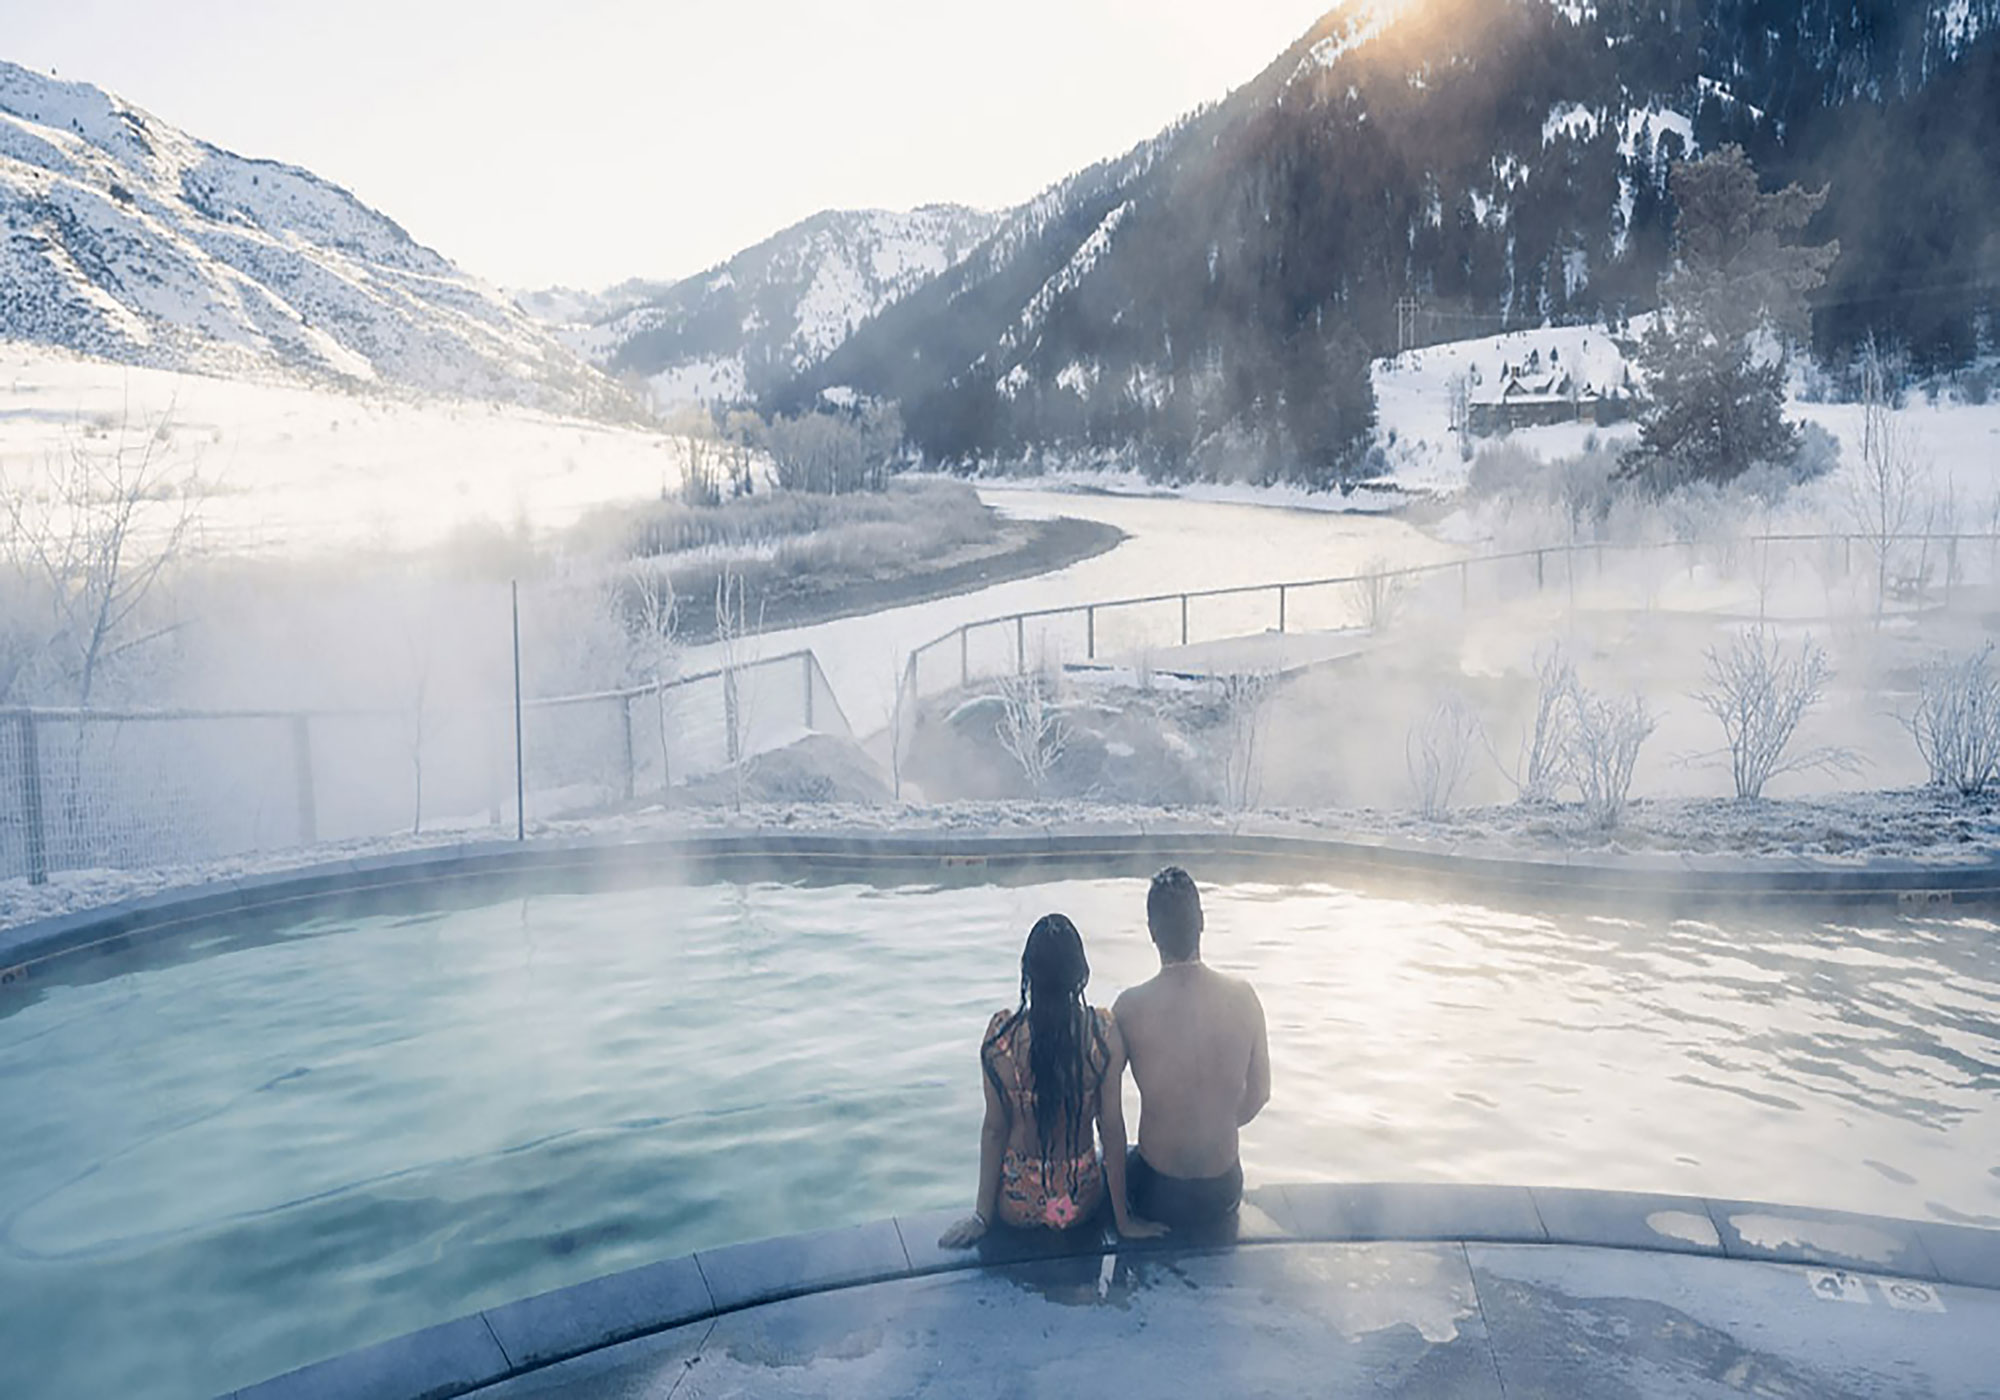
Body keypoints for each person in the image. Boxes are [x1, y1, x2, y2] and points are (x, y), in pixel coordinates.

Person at [939, 914, 1164, 1247]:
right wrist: (1124, 1221)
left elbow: (994, 1130)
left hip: (1018, 1205)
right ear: (1080, 975)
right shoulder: (1102, 1034)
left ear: (1028, 974)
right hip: (1081, 1203)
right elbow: (1112, 1130)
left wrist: (981, 1217)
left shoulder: (1001, 1037)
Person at [1111, 867, 1270, 1227]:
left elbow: (1104, 1107)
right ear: (1202, 922)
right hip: (1223, 1189)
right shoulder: (1244, 998)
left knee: (1111, 1157)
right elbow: (1260, 1093)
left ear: (1152, 931)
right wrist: (1215, 1126)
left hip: (1156, 1190)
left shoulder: (1129, 1008)